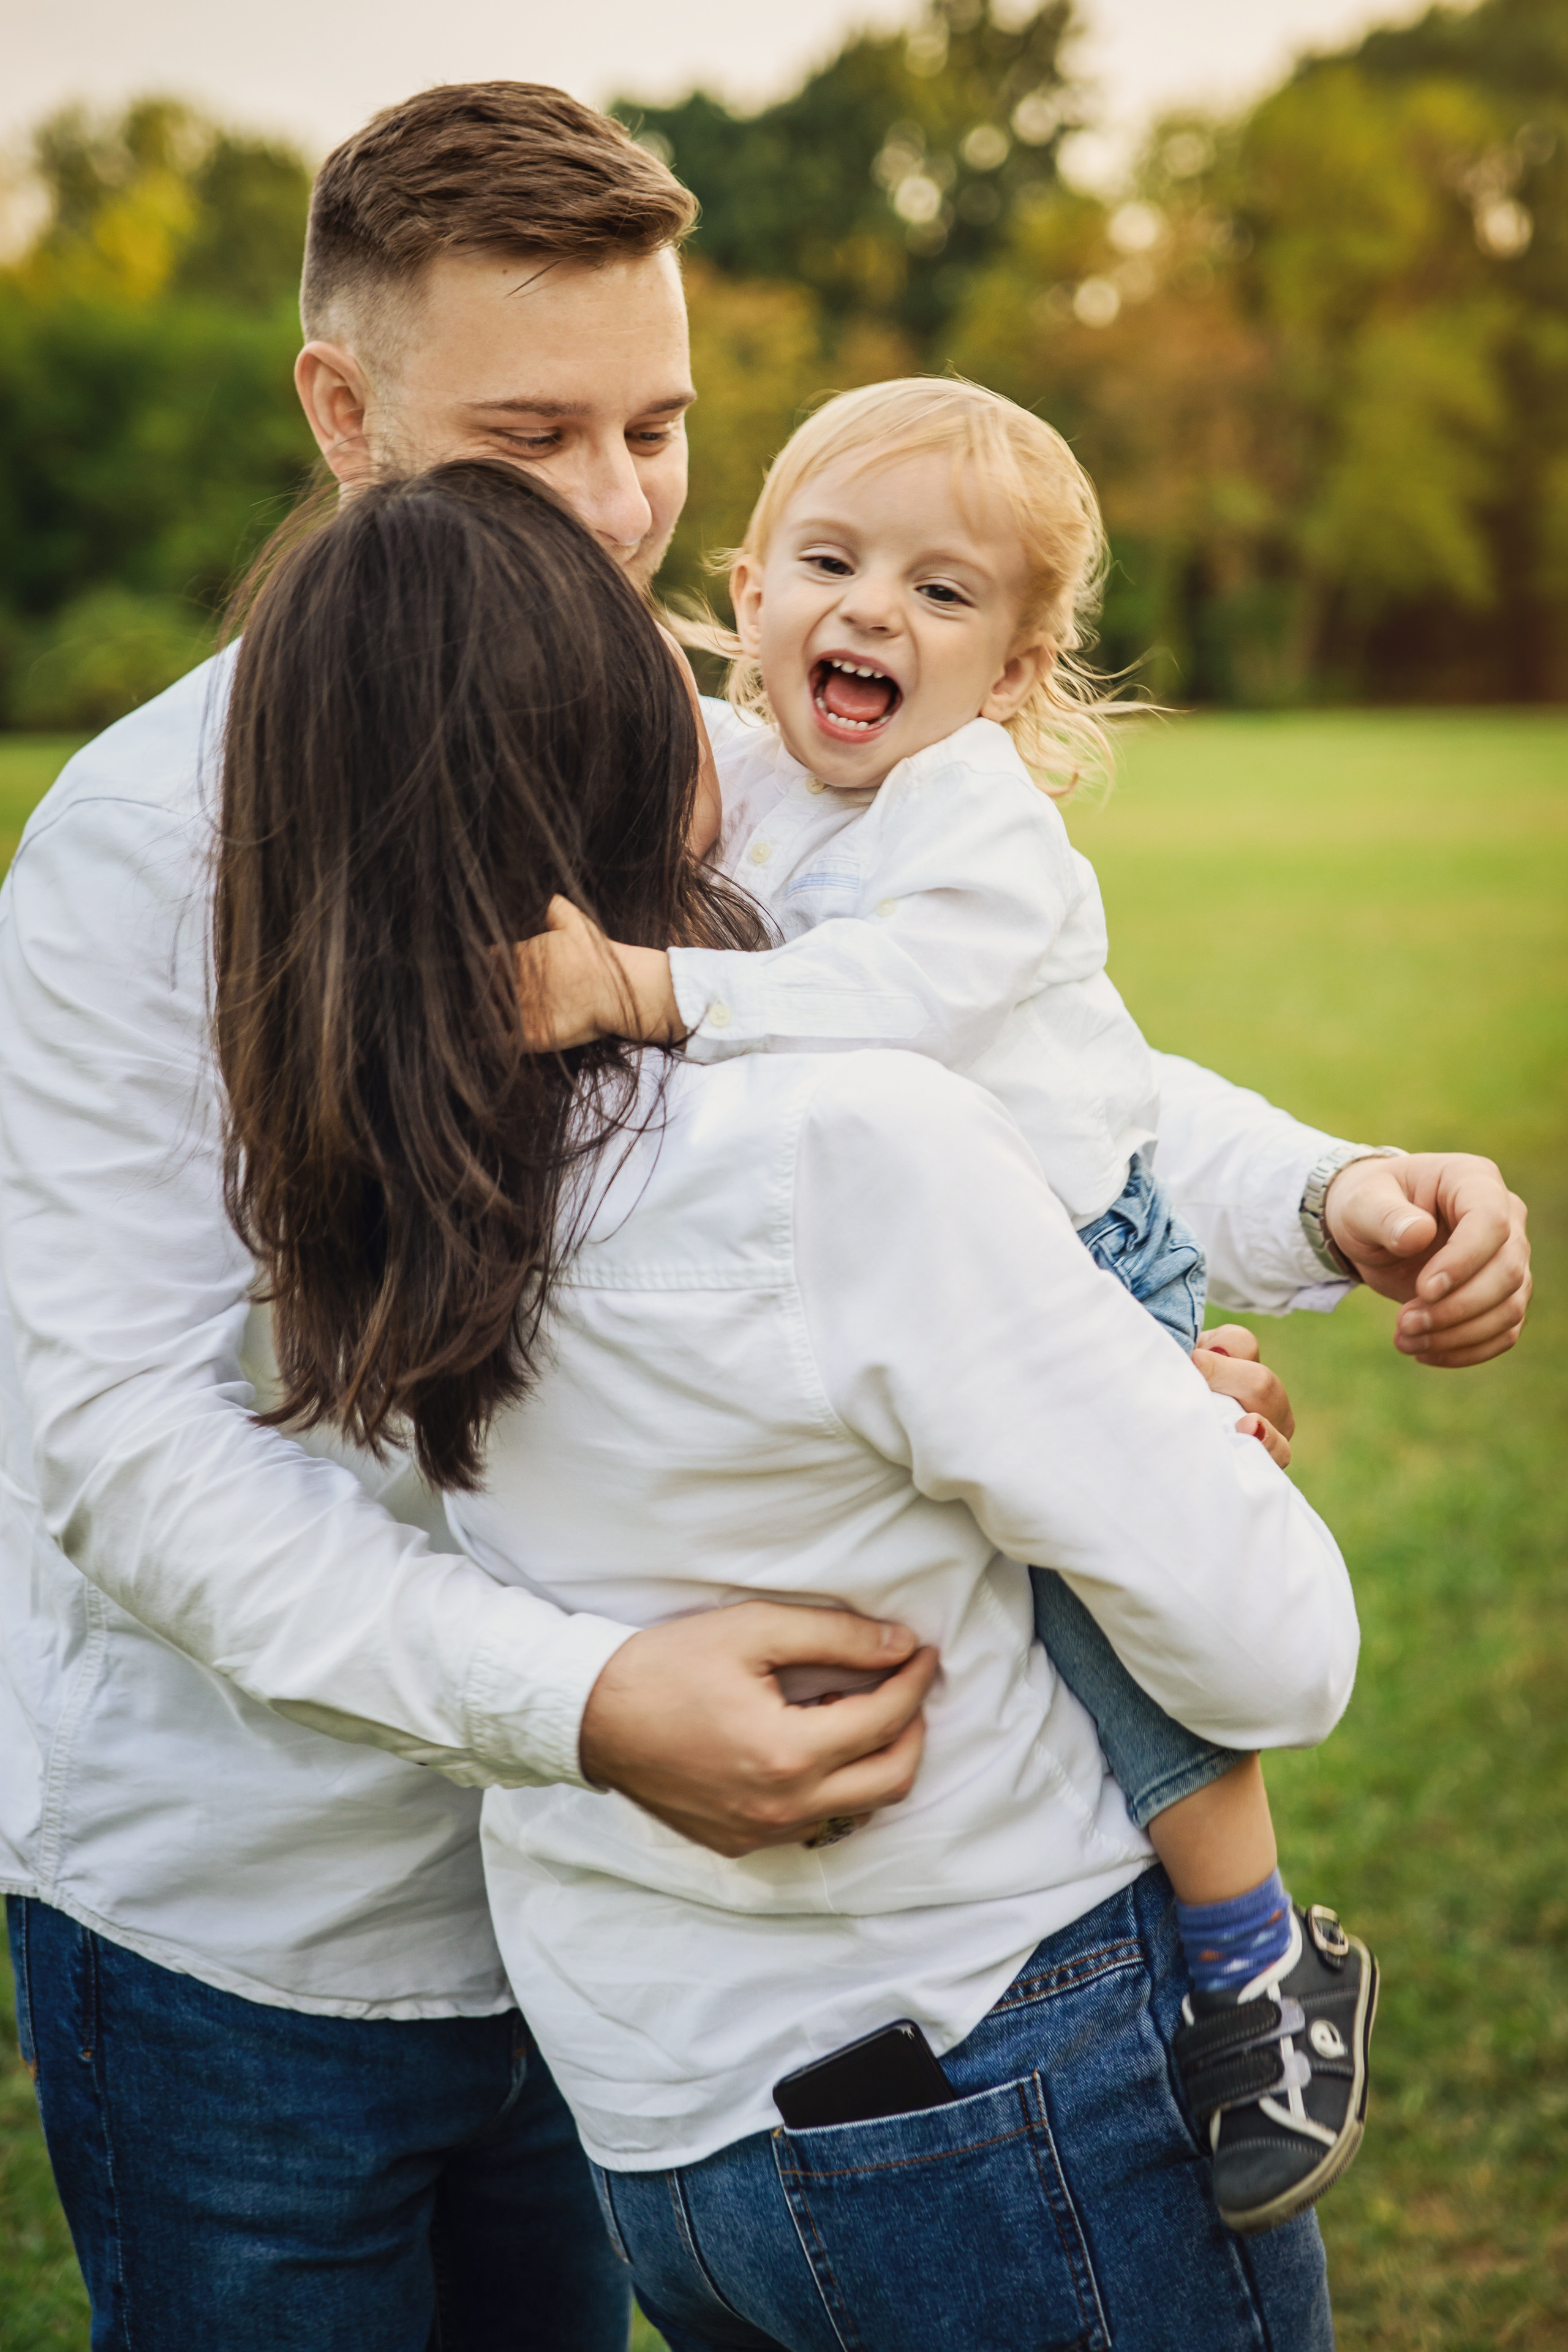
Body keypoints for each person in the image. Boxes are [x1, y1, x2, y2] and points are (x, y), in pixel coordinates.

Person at [0, 78, 1529, 2343]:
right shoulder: (138, 849)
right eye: (540, 434)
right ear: (342, 407)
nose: (620, 514)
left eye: (666, 428)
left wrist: (1302, 1203)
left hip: (643, 1967)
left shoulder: (734, 726)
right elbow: (120, 1436)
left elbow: (989, 1069)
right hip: (277, 1926)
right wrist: (593, 1699)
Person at [214, 453, 1364, 2350]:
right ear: (592, 754)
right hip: (998, 2079)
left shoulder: (349, 1169)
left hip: (663, 2125)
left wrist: (1262, 1235)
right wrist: (1166, 1411)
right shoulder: (847, 1140)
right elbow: (1276, 1651)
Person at [517, 369, 1379, 2236]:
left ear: (1012, 669)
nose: (872, 615)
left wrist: (649, 991)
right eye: (829, 564)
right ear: (747, 593)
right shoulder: (742, 770)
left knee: (1114, 1601)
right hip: (916, 1272)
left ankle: (1253, 1954)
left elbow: (894, 1004)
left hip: (1075, 1246)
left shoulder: (977, 821)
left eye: (941, 593)